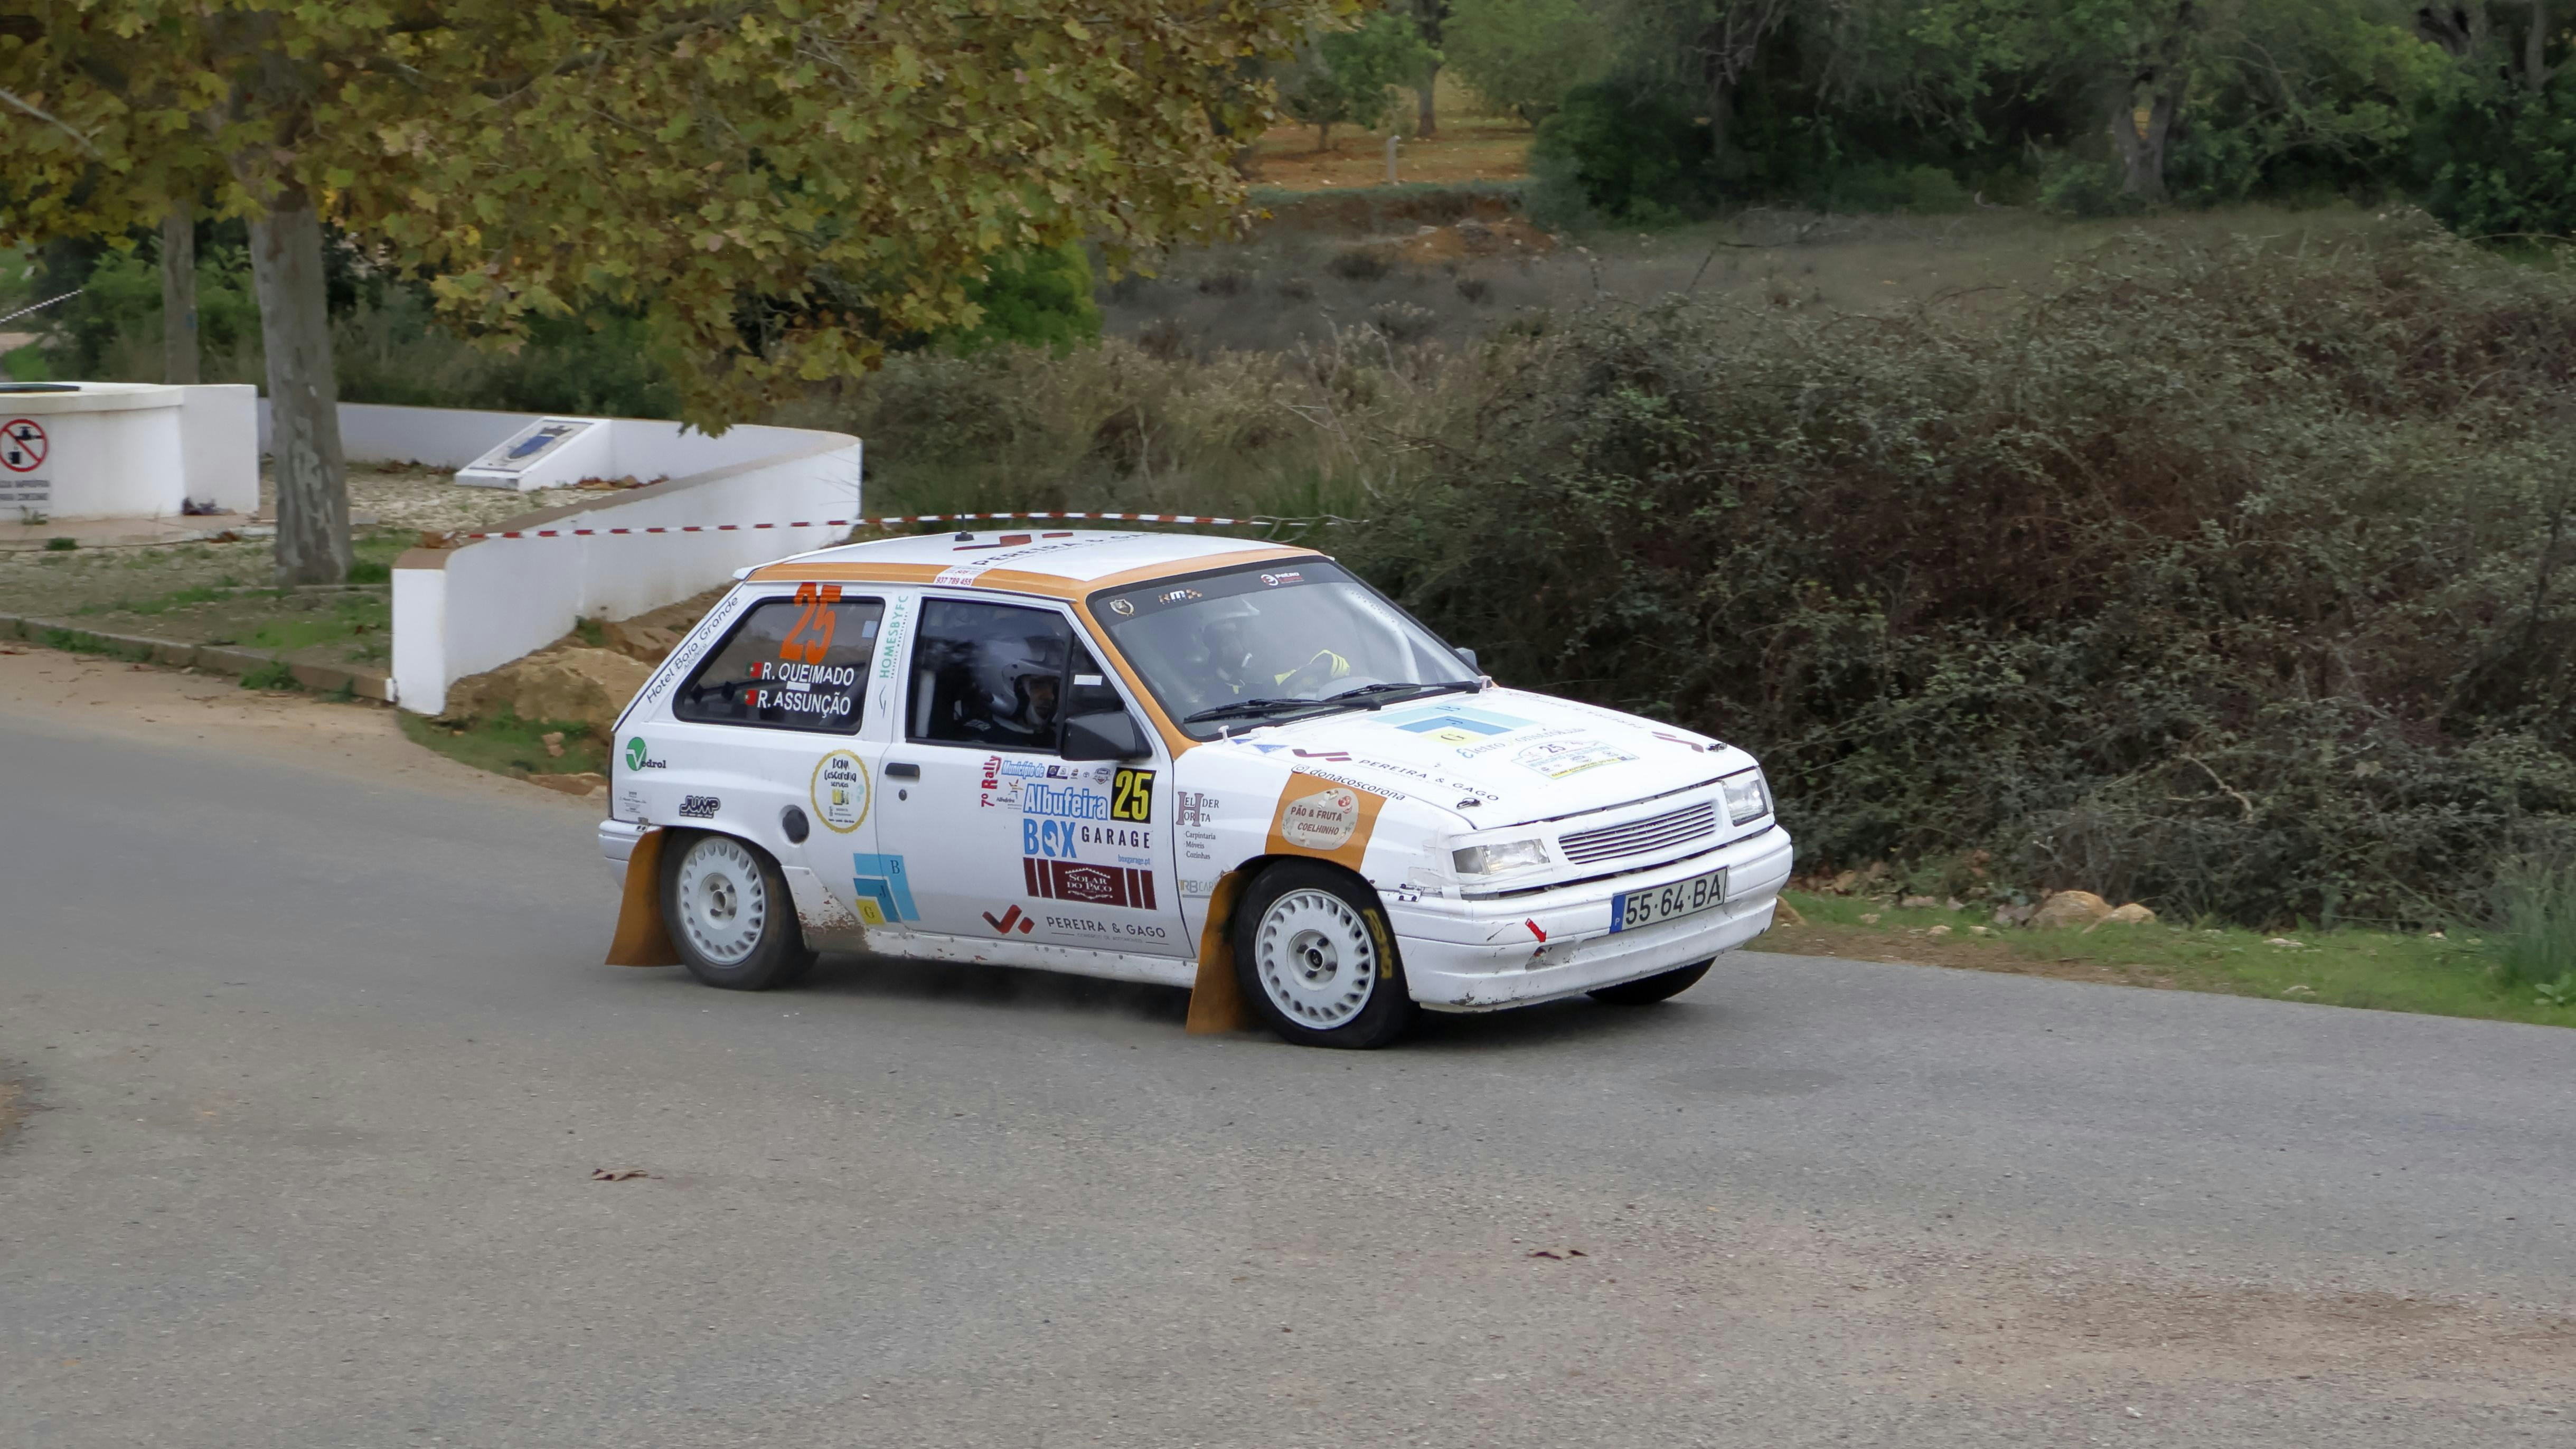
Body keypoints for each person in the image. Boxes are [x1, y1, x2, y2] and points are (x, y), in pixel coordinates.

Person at [1195, 596, 1351, 700]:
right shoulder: (1202, 691)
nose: (1241, 641)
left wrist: (1319, 669)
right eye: (1231, 635)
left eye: (1241, 633)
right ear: (1215, 642)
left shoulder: (1247, 677)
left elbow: (1274, 686)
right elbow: (1257, 698)